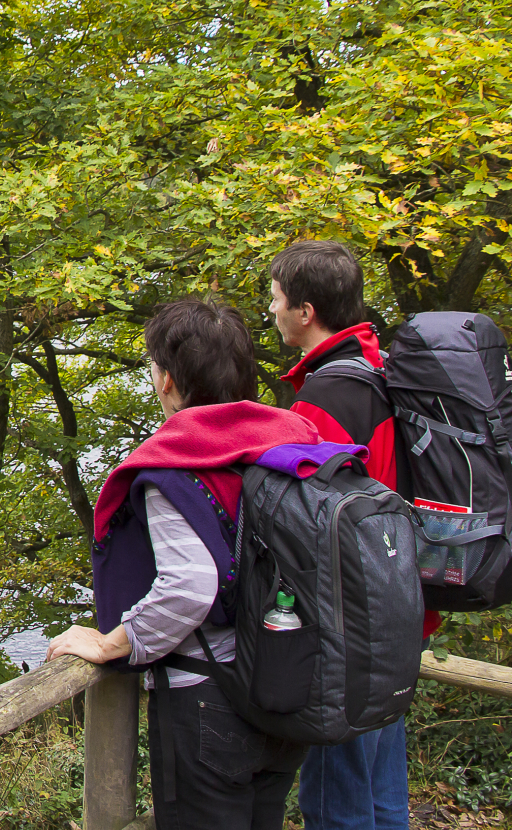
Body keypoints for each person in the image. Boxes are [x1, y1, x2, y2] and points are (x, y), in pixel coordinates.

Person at [47, 297, 322, 830]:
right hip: (286, 684)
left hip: (209, 698)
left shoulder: (180, 468)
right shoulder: (291, 441)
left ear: (168, 380)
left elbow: (191, 585)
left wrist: (112, 642)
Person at [268, 239, 433, 830]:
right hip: (401, 605)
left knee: (336, 798)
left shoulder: (326, 398)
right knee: (383, 786)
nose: (272, 309)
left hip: (352, 620)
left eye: (277, 298)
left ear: (305, 311)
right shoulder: (381, 370)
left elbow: (309, 520)